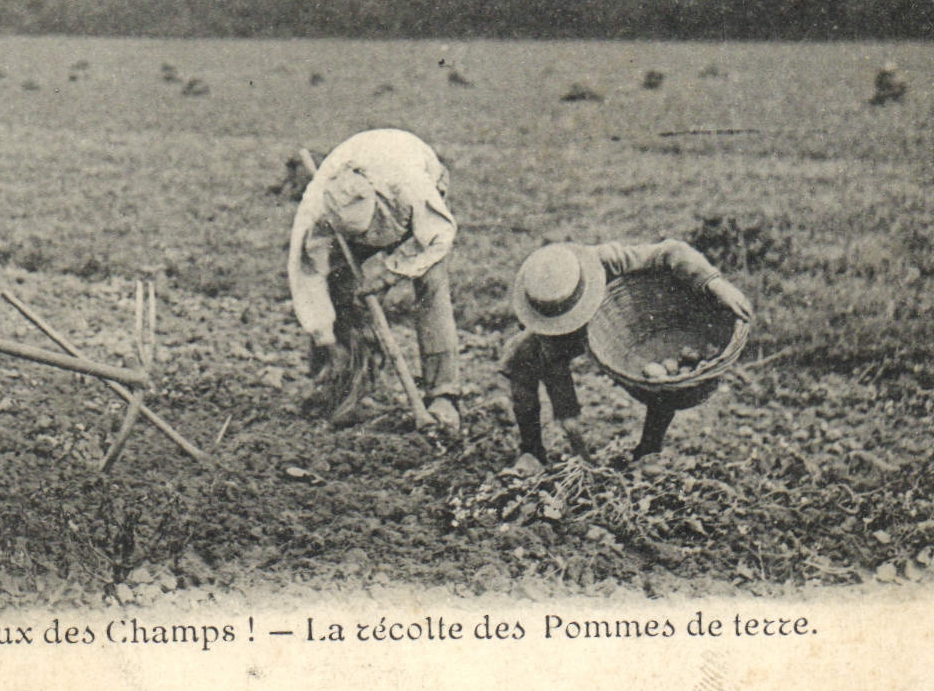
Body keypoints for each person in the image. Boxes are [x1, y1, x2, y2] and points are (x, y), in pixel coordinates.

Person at [501, 240, 753, 472]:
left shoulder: (607, 261)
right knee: (520, 355)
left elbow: (669, 251)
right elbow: (556, 372)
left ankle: (648, 450)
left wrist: (714, 282)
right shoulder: (547, 319)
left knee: (658, 373)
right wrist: (576, 439)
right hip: (564, 339)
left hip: (621, 320)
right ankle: (532, 450)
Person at [287, 128, 462, 430]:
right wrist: (325, 338)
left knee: (431, 281)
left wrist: (390, 272)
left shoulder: (410, 185)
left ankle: (443, 395)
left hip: (410, 182)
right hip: (357, 183)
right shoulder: (317, 207)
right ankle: (337, 381)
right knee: (339, 287)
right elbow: (307, 274)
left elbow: (438, 236)